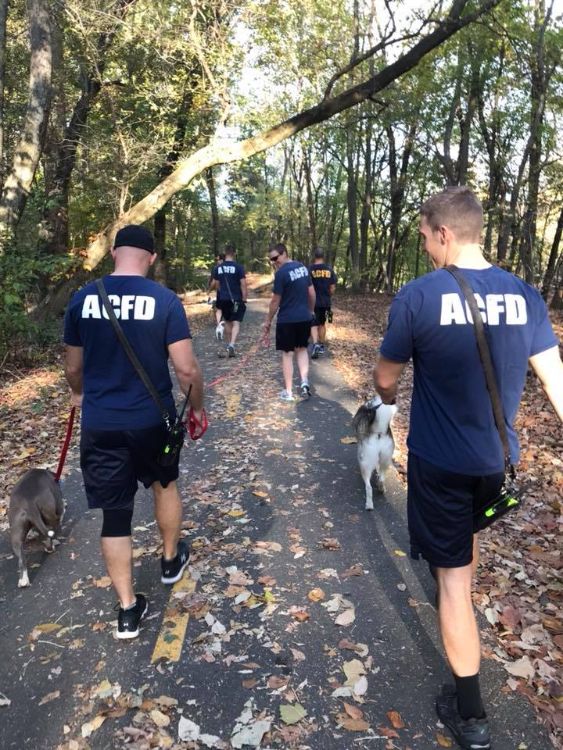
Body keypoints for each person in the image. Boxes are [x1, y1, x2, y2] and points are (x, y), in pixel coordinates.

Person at [373, 187, 562, 750]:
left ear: (444, 233)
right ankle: (461, 607)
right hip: (496, 464)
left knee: (452, 583)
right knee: (463, 551)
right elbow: (555, 379)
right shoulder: (525, 294)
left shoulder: (418, 295)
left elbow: (385, 377)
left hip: (441, 462)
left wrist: (388, 399)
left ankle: (472, 715)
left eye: (426, 238)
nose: (426, 248)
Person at [63, 225, 205, 640]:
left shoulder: (82, 299)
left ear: (113, 252)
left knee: (115, 513)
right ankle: (169, 560)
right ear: (152, 258)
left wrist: (78, 394)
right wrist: (197, 408)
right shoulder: (164, 300)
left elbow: (73, 367)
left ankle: (127, 611)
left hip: (102, 424)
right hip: (151, 420)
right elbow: (186, 369)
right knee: (165, 484)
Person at [263, 243, 316, 401]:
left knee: (287, 354)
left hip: (287, 320)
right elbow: (312, 293)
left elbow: (275, 301)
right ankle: (304, 382)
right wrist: (310, 311)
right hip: (304, 318)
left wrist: (268, 321)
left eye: (275, 258)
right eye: (271, 260)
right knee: (302, 350)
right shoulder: (302, 268)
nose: (274, 262)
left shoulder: (281, 274)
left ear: (284, 253)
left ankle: (288, 392)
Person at [210, 243, 247, 357]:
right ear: (234, 253)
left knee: (227, 322)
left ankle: (229, 344)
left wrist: (221, 293)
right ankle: (232, 345)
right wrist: (244, 298)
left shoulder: (218, 268)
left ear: (225, 254)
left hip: (223, 298)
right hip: (236, 299)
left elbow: (216, 284)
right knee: (236, 322)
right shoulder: (239, 267)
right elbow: (243, 284)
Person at [308, 248, 337, 359]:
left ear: (314, 256)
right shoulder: (329, 270)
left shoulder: (309, 270)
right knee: (322, 324)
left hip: (312, 302)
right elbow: (332, 288)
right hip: (325, 302)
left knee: (313, 324)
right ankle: (321, 345)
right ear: (323, 256)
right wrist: (328, 295)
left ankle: (315, 344)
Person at [207, 252, 225, 327]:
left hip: (218, 290)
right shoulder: (230, 268)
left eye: (218, 260)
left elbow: (213, 280)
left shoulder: (216, 268)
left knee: (217, 307)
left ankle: (219, 322)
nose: (217, 261)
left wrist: (209, 290)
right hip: (227, 291)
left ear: (222, 260)